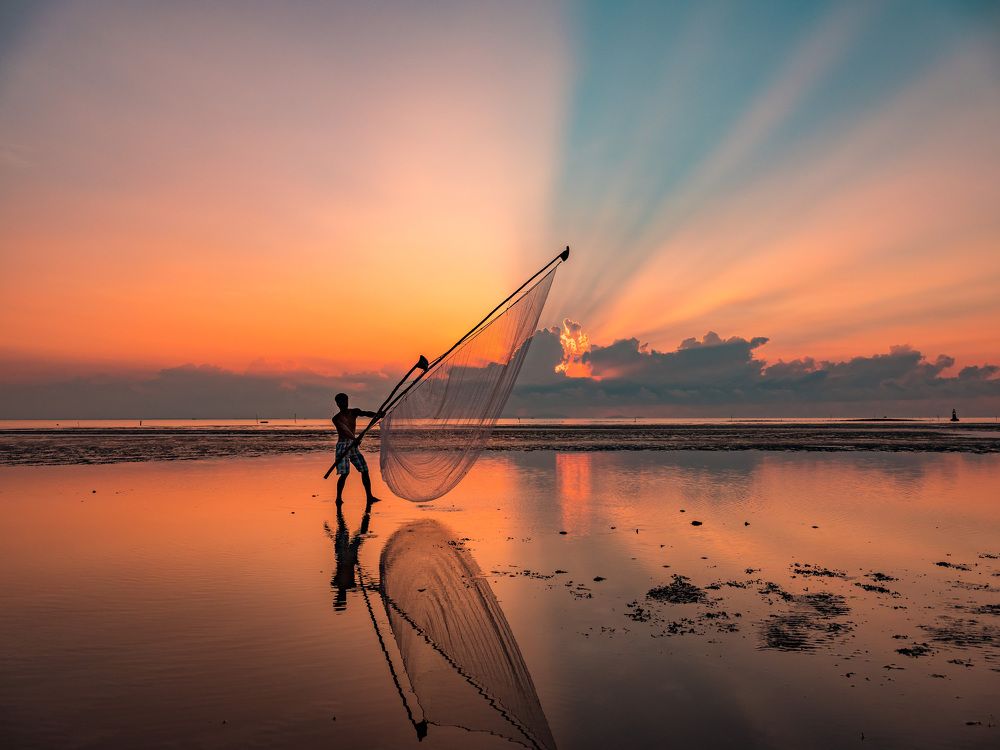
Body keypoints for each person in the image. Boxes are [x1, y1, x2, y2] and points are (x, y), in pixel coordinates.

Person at [332, 392, 381, 504]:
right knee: (345, 474)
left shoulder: (353, 412)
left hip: (353, 445)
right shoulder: (336, 418)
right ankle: (338, 499)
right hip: (343, 445)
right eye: (341, 402)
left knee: (364, 470)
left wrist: (378, 414)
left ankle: (369, 496)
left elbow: (366, 413)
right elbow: (344, 430)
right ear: (337, 404)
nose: (344, 403)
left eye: (345, 401)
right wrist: (354, 439)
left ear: (348, 401)